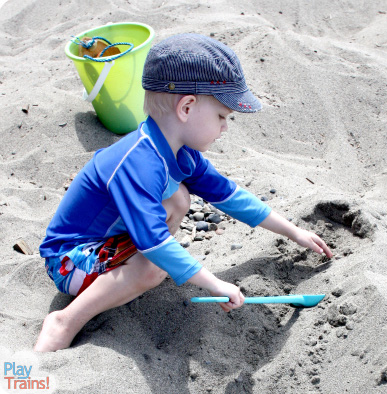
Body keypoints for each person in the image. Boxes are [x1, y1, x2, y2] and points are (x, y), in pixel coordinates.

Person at [34, 33, 333, 352]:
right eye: (221, 116)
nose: (225, 127)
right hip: (70, 258)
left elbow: (230, 197)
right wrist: (213, 282)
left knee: (178, 197)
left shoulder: (180, 154)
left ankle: (131, 275)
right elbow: (153, 241)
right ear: (187, 107)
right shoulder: (138, 161)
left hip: (107, 244)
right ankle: (66, 321)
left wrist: (293, 232)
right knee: (151, 266)